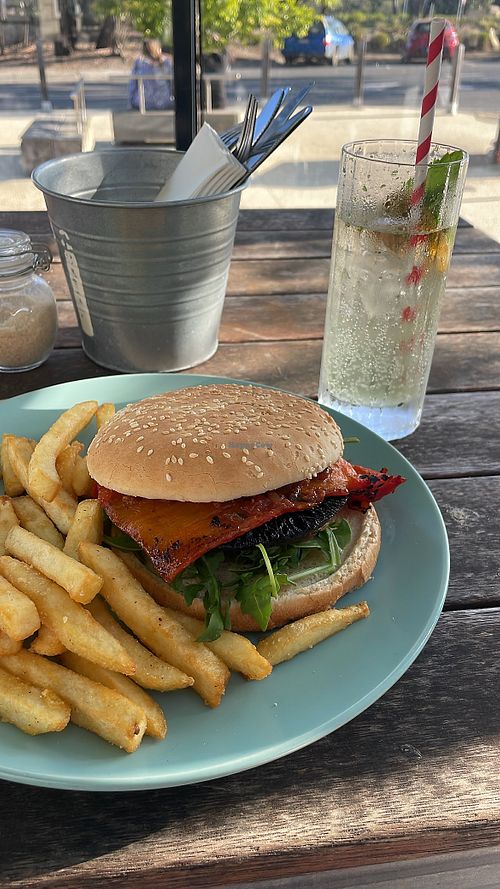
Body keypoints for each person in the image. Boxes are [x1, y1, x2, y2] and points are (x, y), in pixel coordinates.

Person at [129, 39, 174, 112]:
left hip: (143, 103)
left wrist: (131, 99)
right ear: (159, 49)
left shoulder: (140, 63)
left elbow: (133, 83)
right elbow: (172, 84)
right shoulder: (167, 63)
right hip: (165, 102)